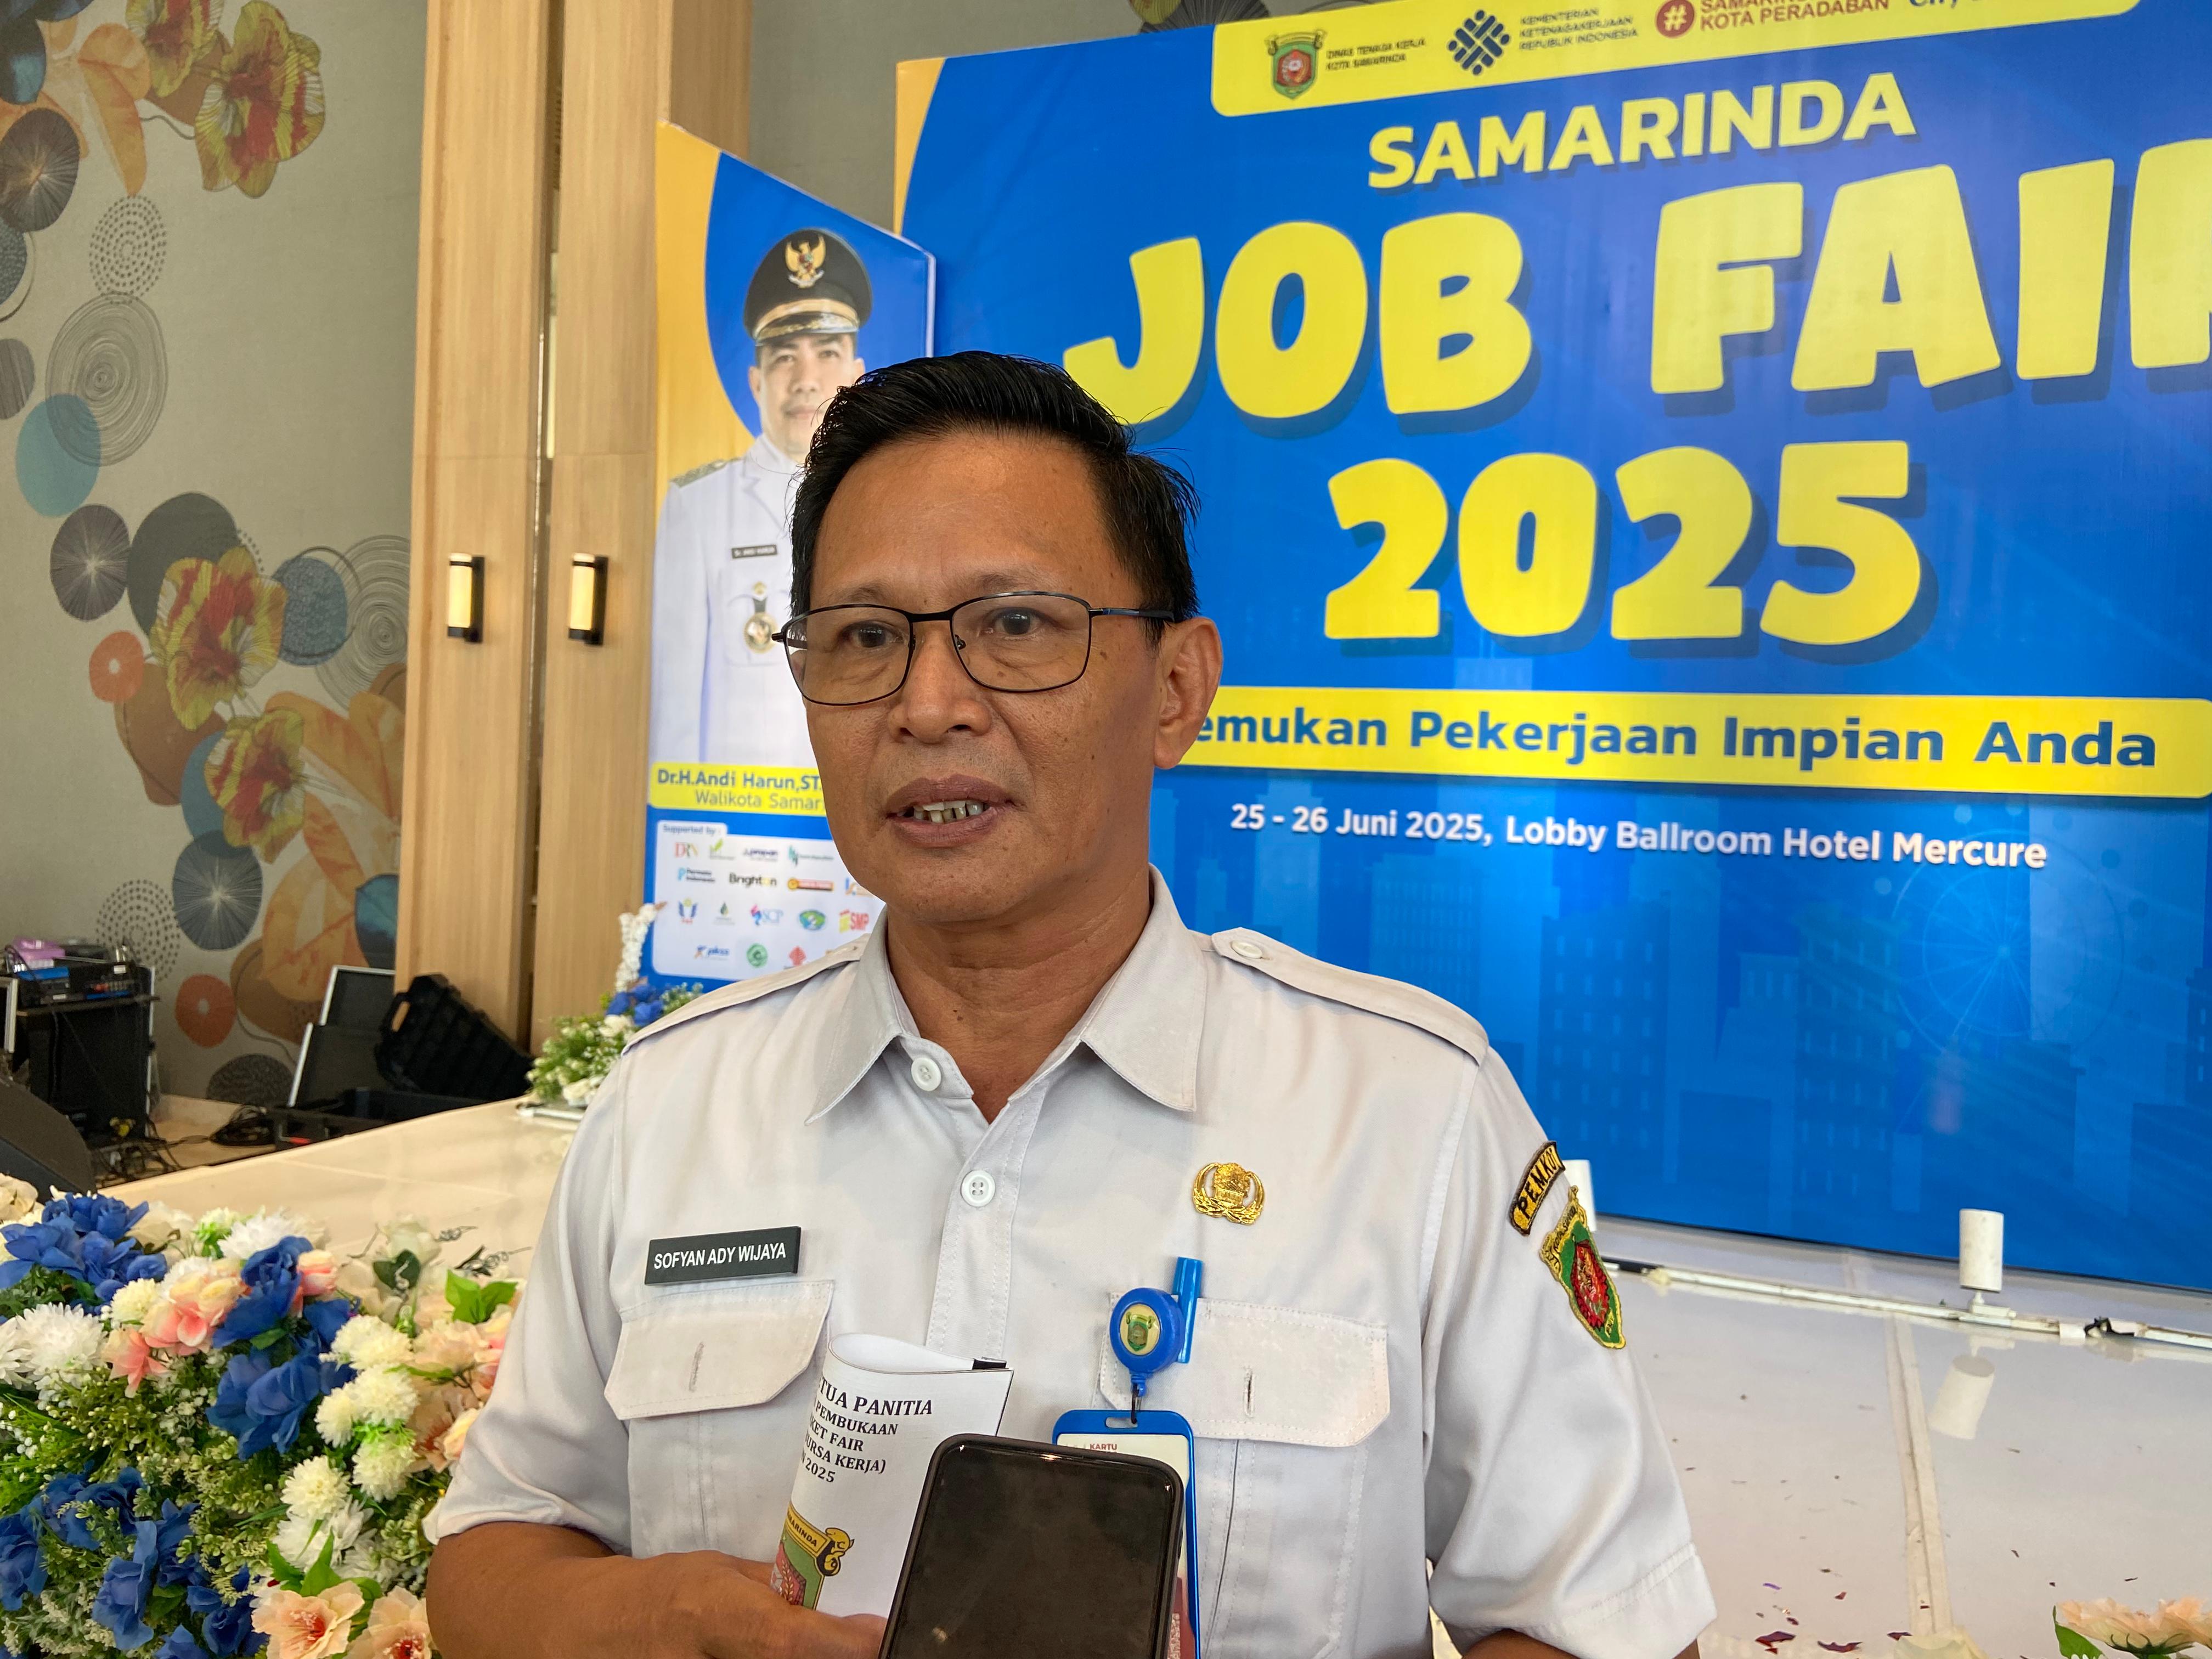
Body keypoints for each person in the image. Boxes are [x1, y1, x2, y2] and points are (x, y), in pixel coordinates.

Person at [425, 353, 1714, 1659]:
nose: (930, 706)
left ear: (1176, 690)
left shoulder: (1414, 1113)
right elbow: (497, 1551)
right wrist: (672, 1620)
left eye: (1017, 627)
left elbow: (1610, 1625)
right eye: (864, 638)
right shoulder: (673, 1104)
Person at [647, 227, 871, 767]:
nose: (806, 380)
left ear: (857, 375)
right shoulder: (698, 508)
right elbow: (675, 704)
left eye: (827, 353)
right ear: (756, 382)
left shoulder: (888, 504)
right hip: (743, 809)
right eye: (785, 358)